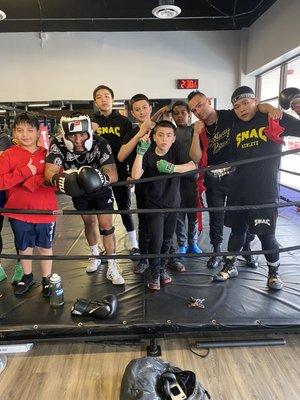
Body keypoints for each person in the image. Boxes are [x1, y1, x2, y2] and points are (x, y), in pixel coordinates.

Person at [213, 85, 300, 290]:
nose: (242, 109)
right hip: (238, 189)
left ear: (256, 101)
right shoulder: (235, 126)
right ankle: (230, 265)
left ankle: (273, 272)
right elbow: (234, 157)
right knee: (237, 232)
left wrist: (293, 107)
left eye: (246, 102)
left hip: (263, 190)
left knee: (266, 235)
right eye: (237, 106)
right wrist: (226, 169)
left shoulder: (272, 117)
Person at [188, 91, 280, 269]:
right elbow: (195, 157)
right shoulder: (199, 127)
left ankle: (246, 251)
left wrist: (270, 107)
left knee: (245, 215)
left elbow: (254, 107)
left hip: (238, 175)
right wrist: (195, 134)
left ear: (208, 101)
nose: (198, 111)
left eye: (200, 105)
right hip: (214, 177)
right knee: (216, 215)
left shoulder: (230, 115)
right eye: (193, 109)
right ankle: (216, 252)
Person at [44, 114, 124, 285]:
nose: (78, 139)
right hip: (77, 189)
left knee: (106, 226)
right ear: (65, 135)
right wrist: (58, 179)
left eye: (82, 134)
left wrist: (100, 179)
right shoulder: (58, 144)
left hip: (101, 189)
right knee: (89, 223)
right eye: (73, 135)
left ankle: (112, 264)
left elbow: (113, 174)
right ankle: (95, 255)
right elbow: (49, 171)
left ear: (88, 132)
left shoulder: (100, 142)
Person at [131, 120, 197, 290]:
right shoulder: (147, 151)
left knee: (167, 239)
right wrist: (140, 153)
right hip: (153, 204)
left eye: (168, 135)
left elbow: (192, 166)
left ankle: (161, 269)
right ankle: (154, 272)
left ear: (174, 138)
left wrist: (172, 167)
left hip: (173, 204)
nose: (164, 139)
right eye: (160, 135)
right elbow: (136, 175)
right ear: (154, 137)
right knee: (156, 239)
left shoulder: (176, 150)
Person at [0, 112, 57, 296]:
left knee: (45, 245)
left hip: (44, 209)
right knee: (24, 245)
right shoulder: (8, 155)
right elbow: (1, 182)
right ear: (14, 133)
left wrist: (36, 180)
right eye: (20, 130)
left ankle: (47, 279)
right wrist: (24, 172)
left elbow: (57, 177)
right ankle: (27, 276)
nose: (25, 134)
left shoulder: (48, 153)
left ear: (37, 132)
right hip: (18, 210)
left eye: (29, 130)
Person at [91, 85, 139, 255]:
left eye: (106, 96)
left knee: (124, 208)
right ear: (95, 101)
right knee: (101, 211)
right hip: (97, 174)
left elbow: (129, 149)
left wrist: (128, 173)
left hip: (119, 172)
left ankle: (135, 244)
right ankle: (105, 247)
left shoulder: (124, 121)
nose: (103, 99)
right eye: (99, 97)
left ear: (112, 99)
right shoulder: (91, 121)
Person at [171, 101, 202, 254]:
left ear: (189, 114)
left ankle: (193, 242)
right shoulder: (171, 132)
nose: (180, 116)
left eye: (183, 112)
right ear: (172, 116)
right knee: (178, 213)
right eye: (176, 113)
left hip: (192, 179)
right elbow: (152, 126)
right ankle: (182, 243)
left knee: (193, 213)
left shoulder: (194, 130)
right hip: (176, 180)